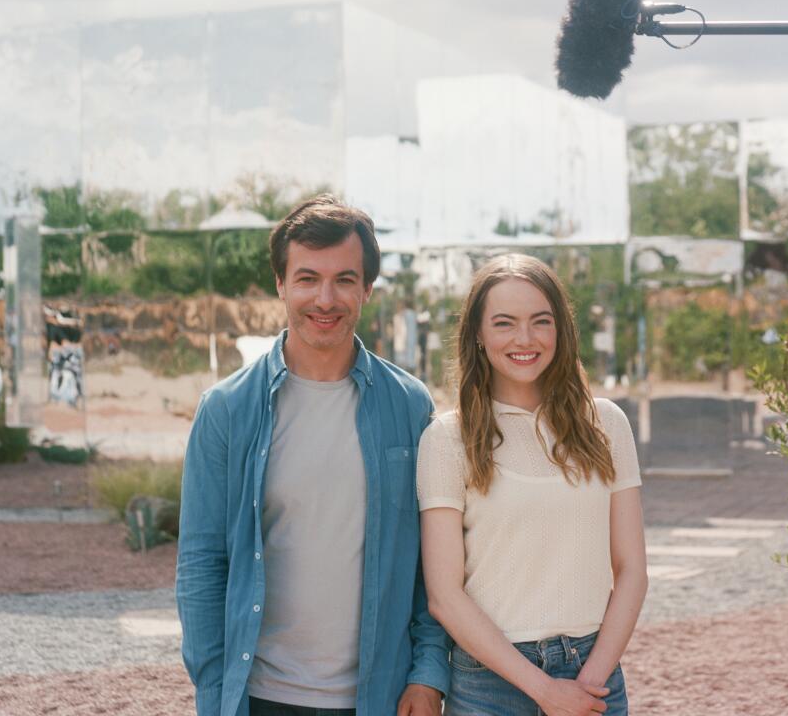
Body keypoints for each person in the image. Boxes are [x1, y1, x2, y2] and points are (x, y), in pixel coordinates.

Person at [176, 194, 448, 716]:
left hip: (380, 697)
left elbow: (430, 564)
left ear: (367, 288)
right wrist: (214, 693)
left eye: (344, 279)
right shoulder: (226, 410)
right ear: (281, 284)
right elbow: (200, 567)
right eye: (307, 278)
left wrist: (428, 674)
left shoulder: (410, 407)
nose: (325, 299)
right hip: (260, 698)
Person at [418, 253, 646, 715]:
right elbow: (444, 596)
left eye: (541, 321)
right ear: (478, 335)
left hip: (594, 674)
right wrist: (544, 691)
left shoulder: (608, 424)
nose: (525, 339)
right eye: (504, 323)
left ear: (560, 330)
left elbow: (632, 572)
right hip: (490, 684)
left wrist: (590, 680)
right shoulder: (446, 439)